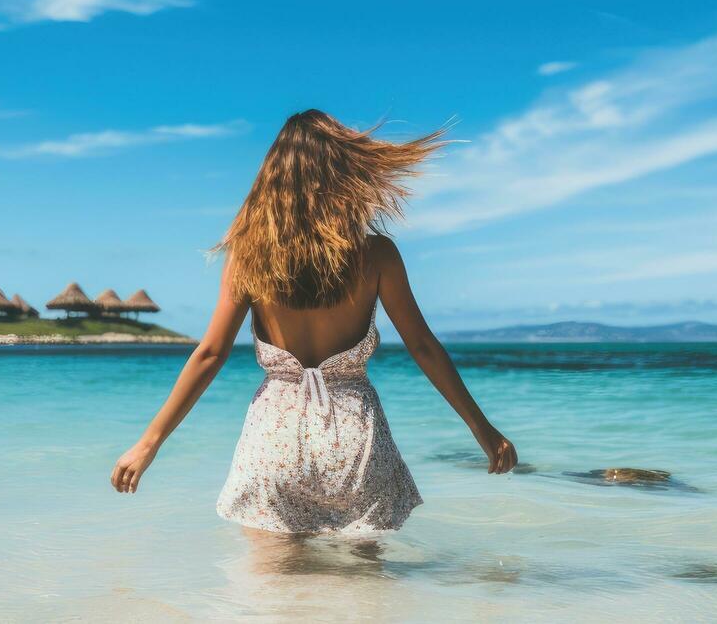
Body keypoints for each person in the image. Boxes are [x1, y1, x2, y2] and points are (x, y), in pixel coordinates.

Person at [111, 109, 517, 534]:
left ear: (273, 177)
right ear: (343, 172)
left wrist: (148, 442)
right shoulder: (376, 255)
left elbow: (211, 354)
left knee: (273, 594)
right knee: (364, 595)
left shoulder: (247, 255)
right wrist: (483, 429)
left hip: (275, 440)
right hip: (357, 441)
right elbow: (423, 347)